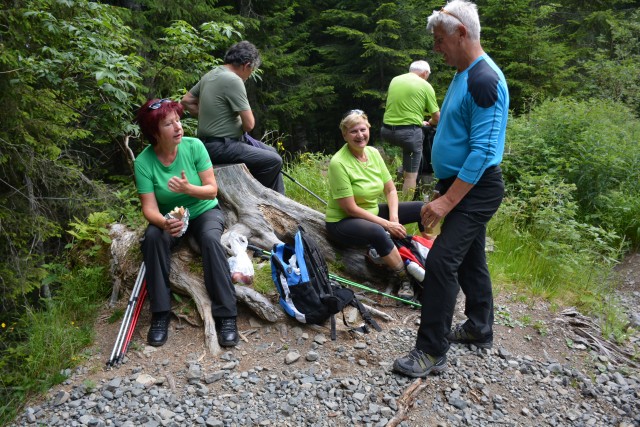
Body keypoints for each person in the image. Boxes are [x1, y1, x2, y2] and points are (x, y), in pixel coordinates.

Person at [393, 0, 509, 378]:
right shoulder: (464, 72)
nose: (436, 48)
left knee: (442, 262)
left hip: (476, 188)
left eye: (440, 40)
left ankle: (431, 350)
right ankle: (479, 327)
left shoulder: (483, 79)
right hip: (459, 184)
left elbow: (484, 152)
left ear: (462, 33)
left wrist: (445, 201)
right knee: (471, 259)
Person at [134, 98, 239, 348]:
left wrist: (188, 188)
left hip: (204, 210)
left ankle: (227, 316)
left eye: (178, 121)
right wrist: (164, 223)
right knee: (152, 239)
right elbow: (149, 208)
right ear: (155, 133)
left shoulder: (194, 147)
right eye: (169, 124)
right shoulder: (144, 162)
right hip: (172, 215)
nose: (178, 127)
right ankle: (160, 314)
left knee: (211, 241)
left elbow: (212, 191)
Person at [325, 109, 426, 300]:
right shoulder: (339, 163)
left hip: (370, 212)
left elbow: (390, 190)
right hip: (343, 221)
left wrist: (394, 218)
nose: (359, 135)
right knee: (377, 231)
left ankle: (432, 252)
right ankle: (404, 278)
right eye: (353, 131)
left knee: (422, 209)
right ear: (344, 134)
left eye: (362, 129)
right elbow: (350, 208)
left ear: (369, 129)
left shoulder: (373, 153)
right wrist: (387, 225)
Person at [181, 41, 285, 195]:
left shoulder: (212, 74)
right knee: (273, 161)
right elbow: (249, 124)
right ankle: (260, 198)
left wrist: (207, 115)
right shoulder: (233, 79)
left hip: (209, 143)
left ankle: (280, 200)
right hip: (221, 146)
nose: (249, 76)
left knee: (272, 152)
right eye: (252, 70)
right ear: (246, 65)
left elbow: (186, 100)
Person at [381, 60, 440, 196]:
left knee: (408, 152)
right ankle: (406, 204)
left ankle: (392, 193)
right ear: (425, 73)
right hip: (408, 134)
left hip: (386, 131)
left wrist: (418, 121)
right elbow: (437, 118)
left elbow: (403, 107)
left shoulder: (395, 80)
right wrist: (429, 123)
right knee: (410, 176)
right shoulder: (425, 85)